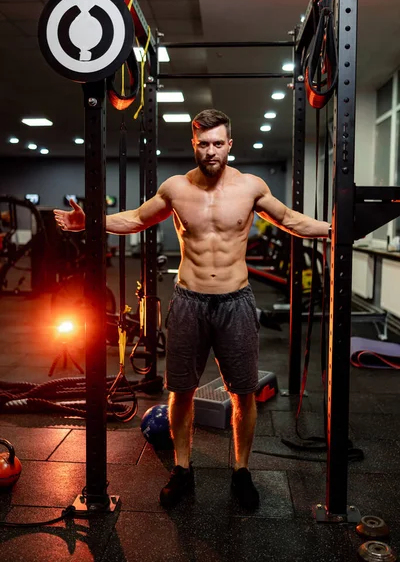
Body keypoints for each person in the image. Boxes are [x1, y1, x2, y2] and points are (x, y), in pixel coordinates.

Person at [54, 109, 330, 510]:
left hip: (236, 302)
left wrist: (332, 229)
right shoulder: (176, 188)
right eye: (204, 144)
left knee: (244, 393)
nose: (212, 151)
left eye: (219, 143)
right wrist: (91, 222)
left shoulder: (251, 186)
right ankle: (182, 469)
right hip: (189, 302)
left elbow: (288, 220)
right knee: (180, 391)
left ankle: (241, 470)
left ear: (230, 144)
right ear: (194, 144)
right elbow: (135, 218)